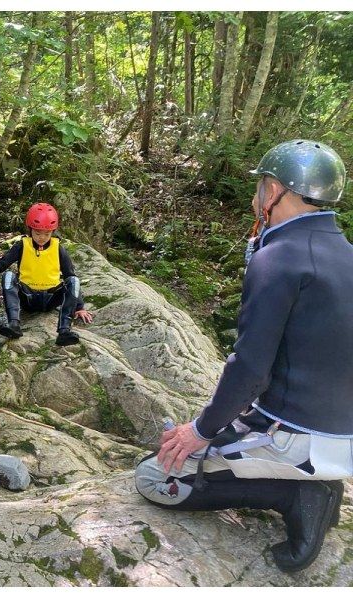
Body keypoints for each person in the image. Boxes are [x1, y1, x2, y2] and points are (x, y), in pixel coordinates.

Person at [135, 139, 352, 573]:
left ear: (273, 191)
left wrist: (202, 430)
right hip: (336, 433)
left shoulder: (279, 258)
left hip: (295, 435)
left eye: (259, 188)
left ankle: (298, 493)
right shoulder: (345, 253)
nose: (255, 198)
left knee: (157, 477)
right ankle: (318, 482)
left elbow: (251, 368)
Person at [0, 203, 92, 346]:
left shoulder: (58, 248)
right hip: (27, 297)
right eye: (37, 233)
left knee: (74, 280)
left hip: (51, 297)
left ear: (53, 231)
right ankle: (14, 324)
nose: (42, 238)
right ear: (30, 230)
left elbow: (70, 276)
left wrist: (80, 307)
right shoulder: (22, 245)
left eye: (47, 234)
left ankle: (64, 331)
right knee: (8, 276)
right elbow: (0, 266)